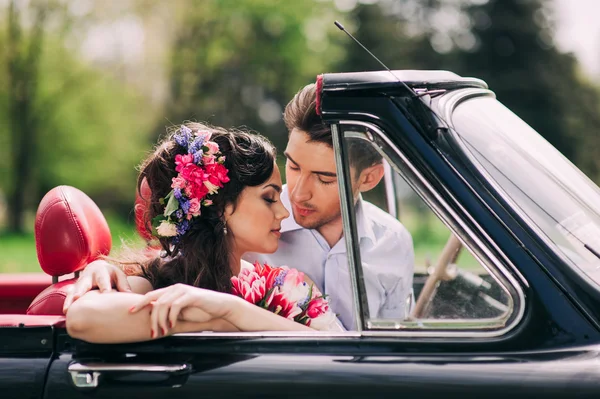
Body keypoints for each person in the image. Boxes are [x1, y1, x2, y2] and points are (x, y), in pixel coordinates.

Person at [64, 82, 414, 330]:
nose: (295, 198)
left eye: (324, 178)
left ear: (368, 179)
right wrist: (105, 272)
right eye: (293, 166)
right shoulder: (195, 265)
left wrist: (230, 312)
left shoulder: (388, 245)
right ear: (220, 209)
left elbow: (366, 350)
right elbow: (174, 269)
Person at [66, 123, 326, 344]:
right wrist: (214, 321)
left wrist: (232, 310)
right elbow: (82, 318)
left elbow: (331, 351)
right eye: (269, 198)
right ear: (220, 207)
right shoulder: (161, 281)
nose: (283, 212)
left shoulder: (283, 285)